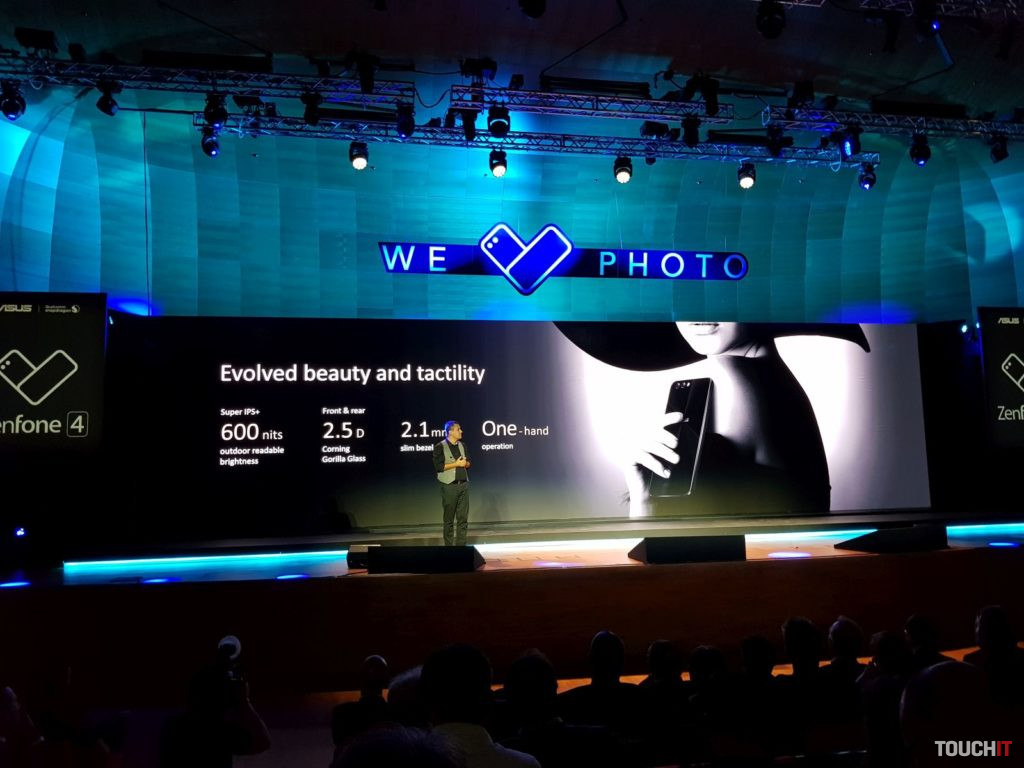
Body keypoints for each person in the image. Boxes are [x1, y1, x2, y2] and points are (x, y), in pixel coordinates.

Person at [432, 420, 471, 546]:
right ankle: (449, 548)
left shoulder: (462, 445)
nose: (461, 431)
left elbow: (469, 463)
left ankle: (461, 547)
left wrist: (465, 463)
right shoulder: (440, 446)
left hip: (463, 485)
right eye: (458, 429)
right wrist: (456, 464)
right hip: (449, 486)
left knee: (463, 519)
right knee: (449, 520)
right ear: (450, 431)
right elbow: (438, 467)